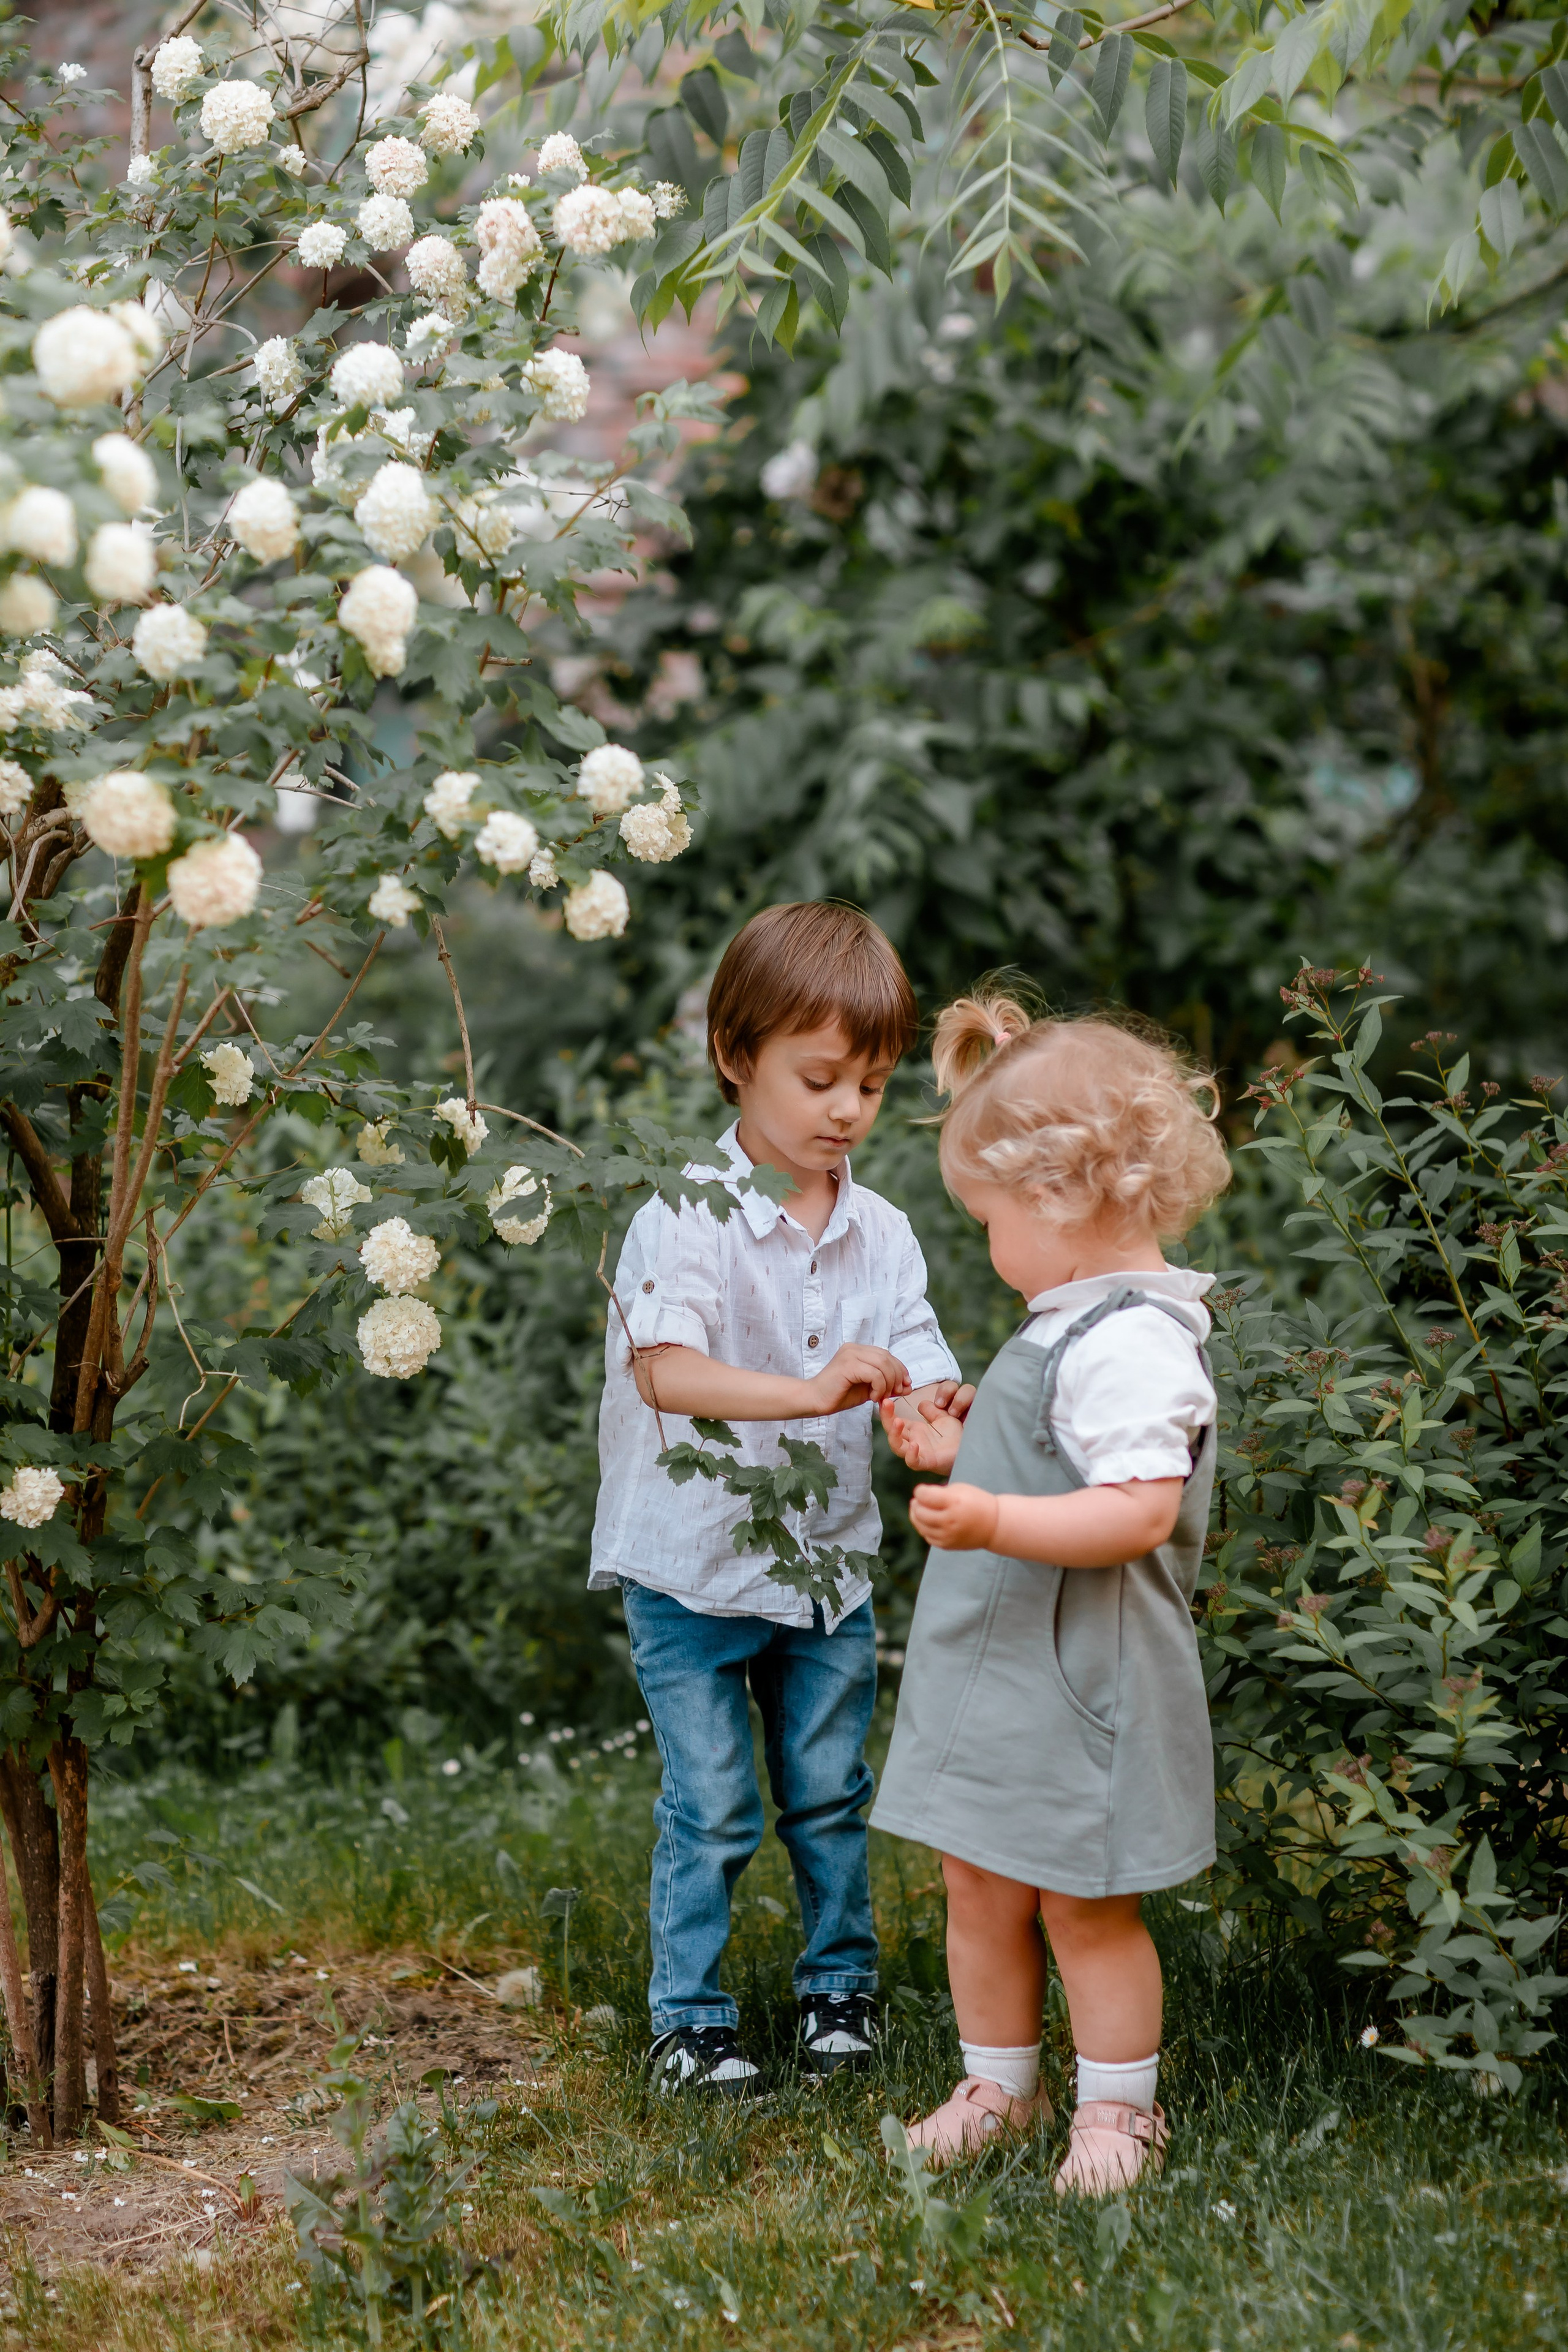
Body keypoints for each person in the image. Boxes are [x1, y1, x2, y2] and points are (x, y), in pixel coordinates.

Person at [591, 902, 966, 2095]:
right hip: (690, 1568)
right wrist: (810, 1396)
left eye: (869, 1083)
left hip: (825, 1570)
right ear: (732, 1055)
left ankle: (835, 1998)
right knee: (709, 1806)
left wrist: (927, 1417)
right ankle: (689, 2024)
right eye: (817, 1080)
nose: (846, 1110)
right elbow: (664, 1371)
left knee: (824, 1795)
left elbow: (917, 1356)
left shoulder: (884, 1234)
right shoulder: (681, 1213)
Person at [871, 990, 1231, 2194]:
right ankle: (996, 2086)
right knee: (977, 1877)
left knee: (1083, 1902)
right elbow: (1055, 1452)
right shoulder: (1069, 1329)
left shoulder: (1133, 1341)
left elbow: (1136, 1509)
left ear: (1054, 1201)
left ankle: (1118, 2114)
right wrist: (962, 1450)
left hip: (1084, 1680)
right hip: (1007, 1672)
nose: (984, 1247)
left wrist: (991, 1515)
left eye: (983, 1221)